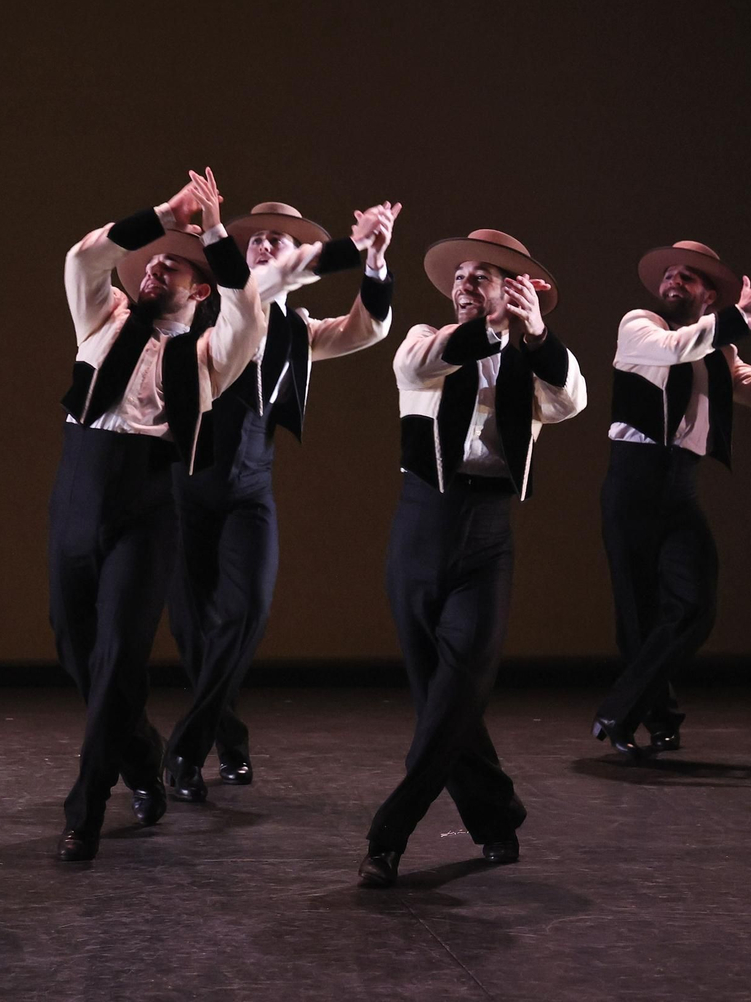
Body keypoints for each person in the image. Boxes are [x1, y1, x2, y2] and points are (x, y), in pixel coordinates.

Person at [48, 170, 320, 861]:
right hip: (77, 496)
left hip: (146, 507)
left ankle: (84, 814)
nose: (154, 267)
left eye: (172, 265)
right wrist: (162, 215)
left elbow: (247, 311)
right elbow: (85, 257)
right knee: (78, 654)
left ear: (198, 291)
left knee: (117, 661)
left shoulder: (206, 357)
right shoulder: (101, 318)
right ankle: (143, 760)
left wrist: (220, 235)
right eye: (153, 261)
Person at [359, 229, 587, 887]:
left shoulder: (528, 365)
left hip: (487, 537)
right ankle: (497, 818)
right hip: (419, 530)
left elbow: (571, 401)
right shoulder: (426, 340)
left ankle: (388, 834)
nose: (464, 282)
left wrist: (537, 337)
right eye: (460, 274)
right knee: (443, 700)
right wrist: (490, 330)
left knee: (454, 698)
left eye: (481, 275)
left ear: (512, 290)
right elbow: (414, 368)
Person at [162, 199, 400, 801]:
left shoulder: (299, 328)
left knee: (245, 614)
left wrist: (373, 261)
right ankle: (229, 739)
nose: (267, 246)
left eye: (279, 240)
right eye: (258, 238)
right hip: (188, 484)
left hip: (250, 489)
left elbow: (367, 329)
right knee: (193, 631)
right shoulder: (202, 310)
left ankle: (187, 749)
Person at [593, 242, 751, 756]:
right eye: (669, 275)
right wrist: (738, 318)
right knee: (638, 612)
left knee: (694, 605)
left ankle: (619, 709)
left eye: (688, 277)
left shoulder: (722, 350)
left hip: (679, 483)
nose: (673, 282)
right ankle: (655, 717)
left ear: (709, 294)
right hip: (633, 479)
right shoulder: (640, 325)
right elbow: (677, 350)